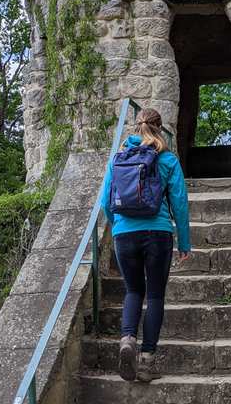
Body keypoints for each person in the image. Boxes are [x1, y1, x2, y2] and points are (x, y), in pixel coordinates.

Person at [100, 108, 191, 383]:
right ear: (160, 128)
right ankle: (146, 362)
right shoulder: (167, 159)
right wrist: (184, 241)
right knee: (155, 297)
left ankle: (127, 339)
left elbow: (105, 201)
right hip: (158, 233)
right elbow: (179, 203)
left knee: (133, 291)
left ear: (135, 126)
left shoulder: (118, 157)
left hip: (124, 234)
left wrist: (119, 226)